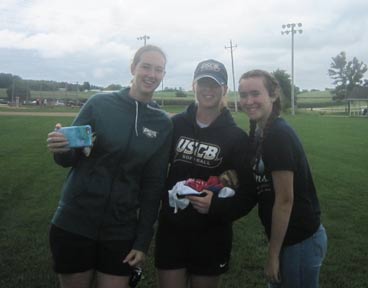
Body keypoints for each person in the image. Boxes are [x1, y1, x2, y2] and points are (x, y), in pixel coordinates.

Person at [46, 45, 172, 288]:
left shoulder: (163, 124)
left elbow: (153, 185)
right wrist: (62, 149)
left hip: (121, 229)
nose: (151, 74)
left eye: (159, 70)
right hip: (75, 220)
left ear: (163, 75)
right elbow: (70, 157)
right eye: (146, 66)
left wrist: (142, 240)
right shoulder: (99, 104)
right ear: (133, 67)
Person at [155, 59, 255, 288]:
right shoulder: (175, 125)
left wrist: (217, 207)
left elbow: (249, 194)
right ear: (194, 86)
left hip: (212, 235)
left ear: (225, 90)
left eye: (214, 85)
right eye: (203, 83)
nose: (208, 90)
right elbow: (154, 171)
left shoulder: (236, 137)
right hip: (172, 230)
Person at [238, 69, 328, 288]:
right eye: (242, 94)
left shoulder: (278, 135)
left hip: (299, 241)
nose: (248, 101)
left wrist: (273, 255)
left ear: (273, 94)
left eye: (255, 93)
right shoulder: (262, 131)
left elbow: (285, 200)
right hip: (292, 240)